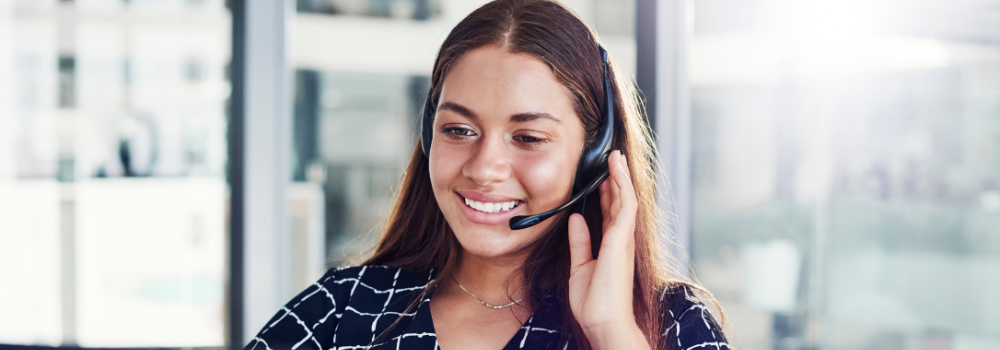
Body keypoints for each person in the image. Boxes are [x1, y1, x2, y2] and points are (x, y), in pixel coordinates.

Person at [246, 0, 729, 349]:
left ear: (594, 153)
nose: (483, 168)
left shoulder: (672, 325)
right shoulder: (341, 311)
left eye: (528, 138)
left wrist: (611, 332)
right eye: (459, 129)